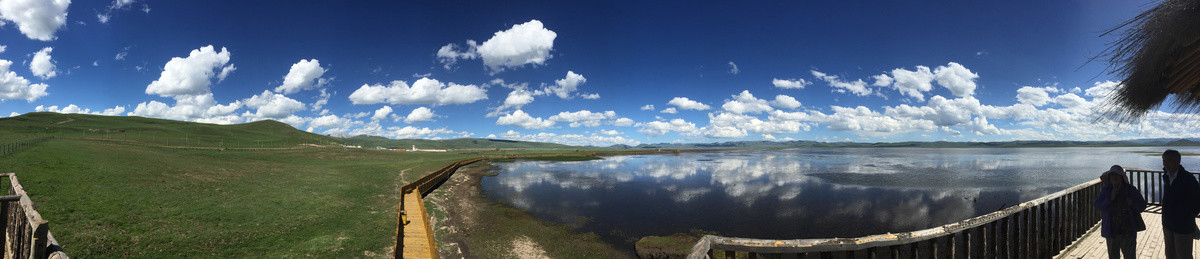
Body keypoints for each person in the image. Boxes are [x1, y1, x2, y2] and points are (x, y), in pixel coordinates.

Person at [1095, 165, 1147, 259]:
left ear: (1122, 177)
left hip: (1128, 232)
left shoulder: (1131, 189)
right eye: (1112, 175)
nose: (1114, 177)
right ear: (1109, 177)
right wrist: (1109, 199)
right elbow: (1097, 205)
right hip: (1111, 232)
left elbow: (1142, 206)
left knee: (1130, 256)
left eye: (1117, 175)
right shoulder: (1106, 190)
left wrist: (1133, 203)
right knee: (1113, 256)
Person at [1161, 149, 1200, 259]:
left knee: (1184, 255)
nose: (1166, 164)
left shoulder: (1188, 179)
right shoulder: (1166, 176)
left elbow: (1197, 203)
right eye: (1164, 161)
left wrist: (1185, 216)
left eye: (1169, 160)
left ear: (1178, 161)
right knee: (1170, 254)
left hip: (1183, 226)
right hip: (1168, 224)